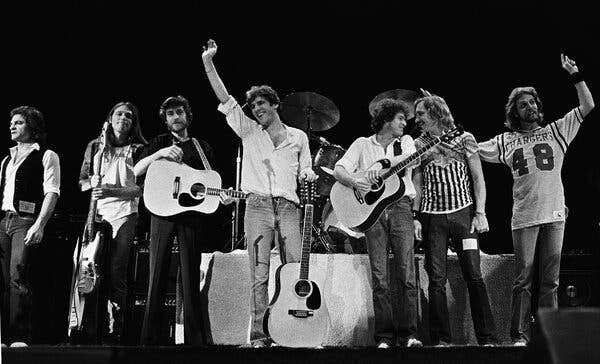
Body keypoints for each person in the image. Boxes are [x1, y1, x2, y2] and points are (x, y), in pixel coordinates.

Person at [202, 39, 317, 347]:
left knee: (294, 268)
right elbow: (224, 97)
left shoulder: (299, 137)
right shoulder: (249, 130)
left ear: (275, 104)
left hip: (290, 207)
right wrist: (208, 61)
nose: (256, 109)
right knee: (259, 274)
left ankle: (295, 331)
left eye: (261, 104)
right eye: (252, 106)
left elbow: (306, 168)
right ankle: (260, 336)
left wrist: (307, 175)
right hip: (256, 207)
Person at [478, 54, 594, 346]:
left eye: (532, 102)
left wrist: (576, 74)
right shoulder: (505, 141)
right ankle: (519, 336)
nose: (530, 107)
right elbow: (470, 148)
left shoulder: (556, 131)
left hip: (554, 214)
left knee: (550, 281)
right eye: (523, 104)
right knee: (522, 281)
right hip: (524, 216)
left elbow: (587, 106)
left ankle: (549, 336)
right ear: (514, 112)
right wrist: (445, 124)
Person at [333, 98, 423, 348]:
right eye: (401, 119)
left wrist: (381, 164)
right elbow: (339, 169)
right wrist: (354, 182)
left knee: (407, 275)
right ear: (386, 120)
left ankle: (410, 335)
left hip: (401, 208)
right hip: (372, 214)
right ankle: (384, 336)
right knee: (380, 276)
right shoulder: (363, 144)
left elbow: (412, 157)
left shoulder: (405, 142)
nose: (406, 123)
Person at [412, 95, 498, 346]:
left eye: (420, 114)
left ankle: (487, 338)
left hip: (463, 214)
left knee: (474, 274)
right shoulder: (419, 143)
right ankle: (440, 340)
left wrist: (480, 212)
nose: (416, 119)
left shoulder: (464, 138)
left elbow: (478, 178)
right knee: (436, 279)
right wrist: (416, 217)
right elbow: (417, 181)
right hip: (432, 216)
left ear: (436, 113)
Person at [134, 95, 214, 346]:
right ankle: (150, 339)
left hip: (191, 216)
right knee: (156, 274)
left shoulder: (202, 147)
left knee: (190, 276)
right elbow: (136, 171)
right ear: (165, 119)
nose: (175, 117)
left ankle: (194, 341)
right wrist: (160, 153)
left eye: (179, 112)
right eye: (170, 114)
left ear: (187, 116)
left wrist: (220, 196)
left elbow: (210, 181)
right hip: (160, 212)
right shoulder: (158, 143)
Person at [77, 101, 147, 344]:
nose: (124, 118)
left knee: (117, 272)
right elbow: (82, 182)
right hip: (96, 215)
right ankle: (88, 327)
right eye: (119, 114)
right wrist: (91, 185)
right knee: (91, 270)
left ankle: (114, 330)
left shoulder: (139, 149)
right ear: (110, 118)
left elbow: (140, 190)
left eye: (129, 115)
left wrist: (110, 191)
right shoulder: (95, 146)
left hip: (125, 214)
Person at [0, 106, 60, 347]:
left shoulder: (46, 155)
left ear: (33, 128)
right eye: (11, 122)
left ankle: (18, 336)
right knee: (3, 281)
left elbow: (52, 192)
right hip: (3, 220)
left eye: (19, 122)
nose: (12, 126)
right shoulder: (6, 159)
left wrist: (40, 224)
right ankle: (3, 337)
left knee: (19, 277)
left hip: (25, 221)